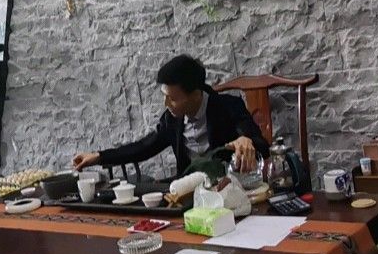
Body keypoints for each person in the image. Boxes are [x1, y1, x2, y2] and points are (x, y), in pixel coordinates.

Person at [72, 54, 270, 178]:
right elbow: (144, 147)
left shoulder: (228, 106)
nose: (166, 104)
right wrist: (99, 157)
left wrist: (247, 140)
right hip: (190, 193)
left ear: (195, 94)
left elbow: (261, 144)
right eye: (164, 97)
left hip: (228, 188)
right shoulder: (172, 119)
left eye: (173, 99)